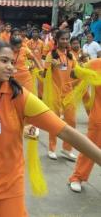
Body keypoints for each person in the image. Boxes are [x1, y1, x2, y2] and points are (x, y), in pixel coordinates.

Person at [0, 38, 101, 217]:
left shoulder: (20, 96)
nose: (10, 67)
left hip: (11, 180)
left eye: (12, 62)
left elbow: (65, 131)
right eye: (4, 61)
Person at [44, 30, 78, 161]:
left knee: (72, 121)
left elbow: (75, 72)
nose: (64, 41)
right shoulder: (51, 55)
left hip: (68, 92)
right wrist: (51, 67)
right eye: (62, 39)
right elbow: (44, 74)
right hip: (55, 92)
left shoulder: (70, 56)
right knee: (55, 121)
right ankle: (51, 148)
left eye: (66, 39)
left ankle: (67, 149)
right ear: (56, 40)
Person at [69, 58, 101, 192]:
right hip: (99, 117)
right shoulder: (96, 63)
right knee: (90, 148)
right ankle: (77, 177)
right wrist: (80, 69)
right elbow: (73, 74)